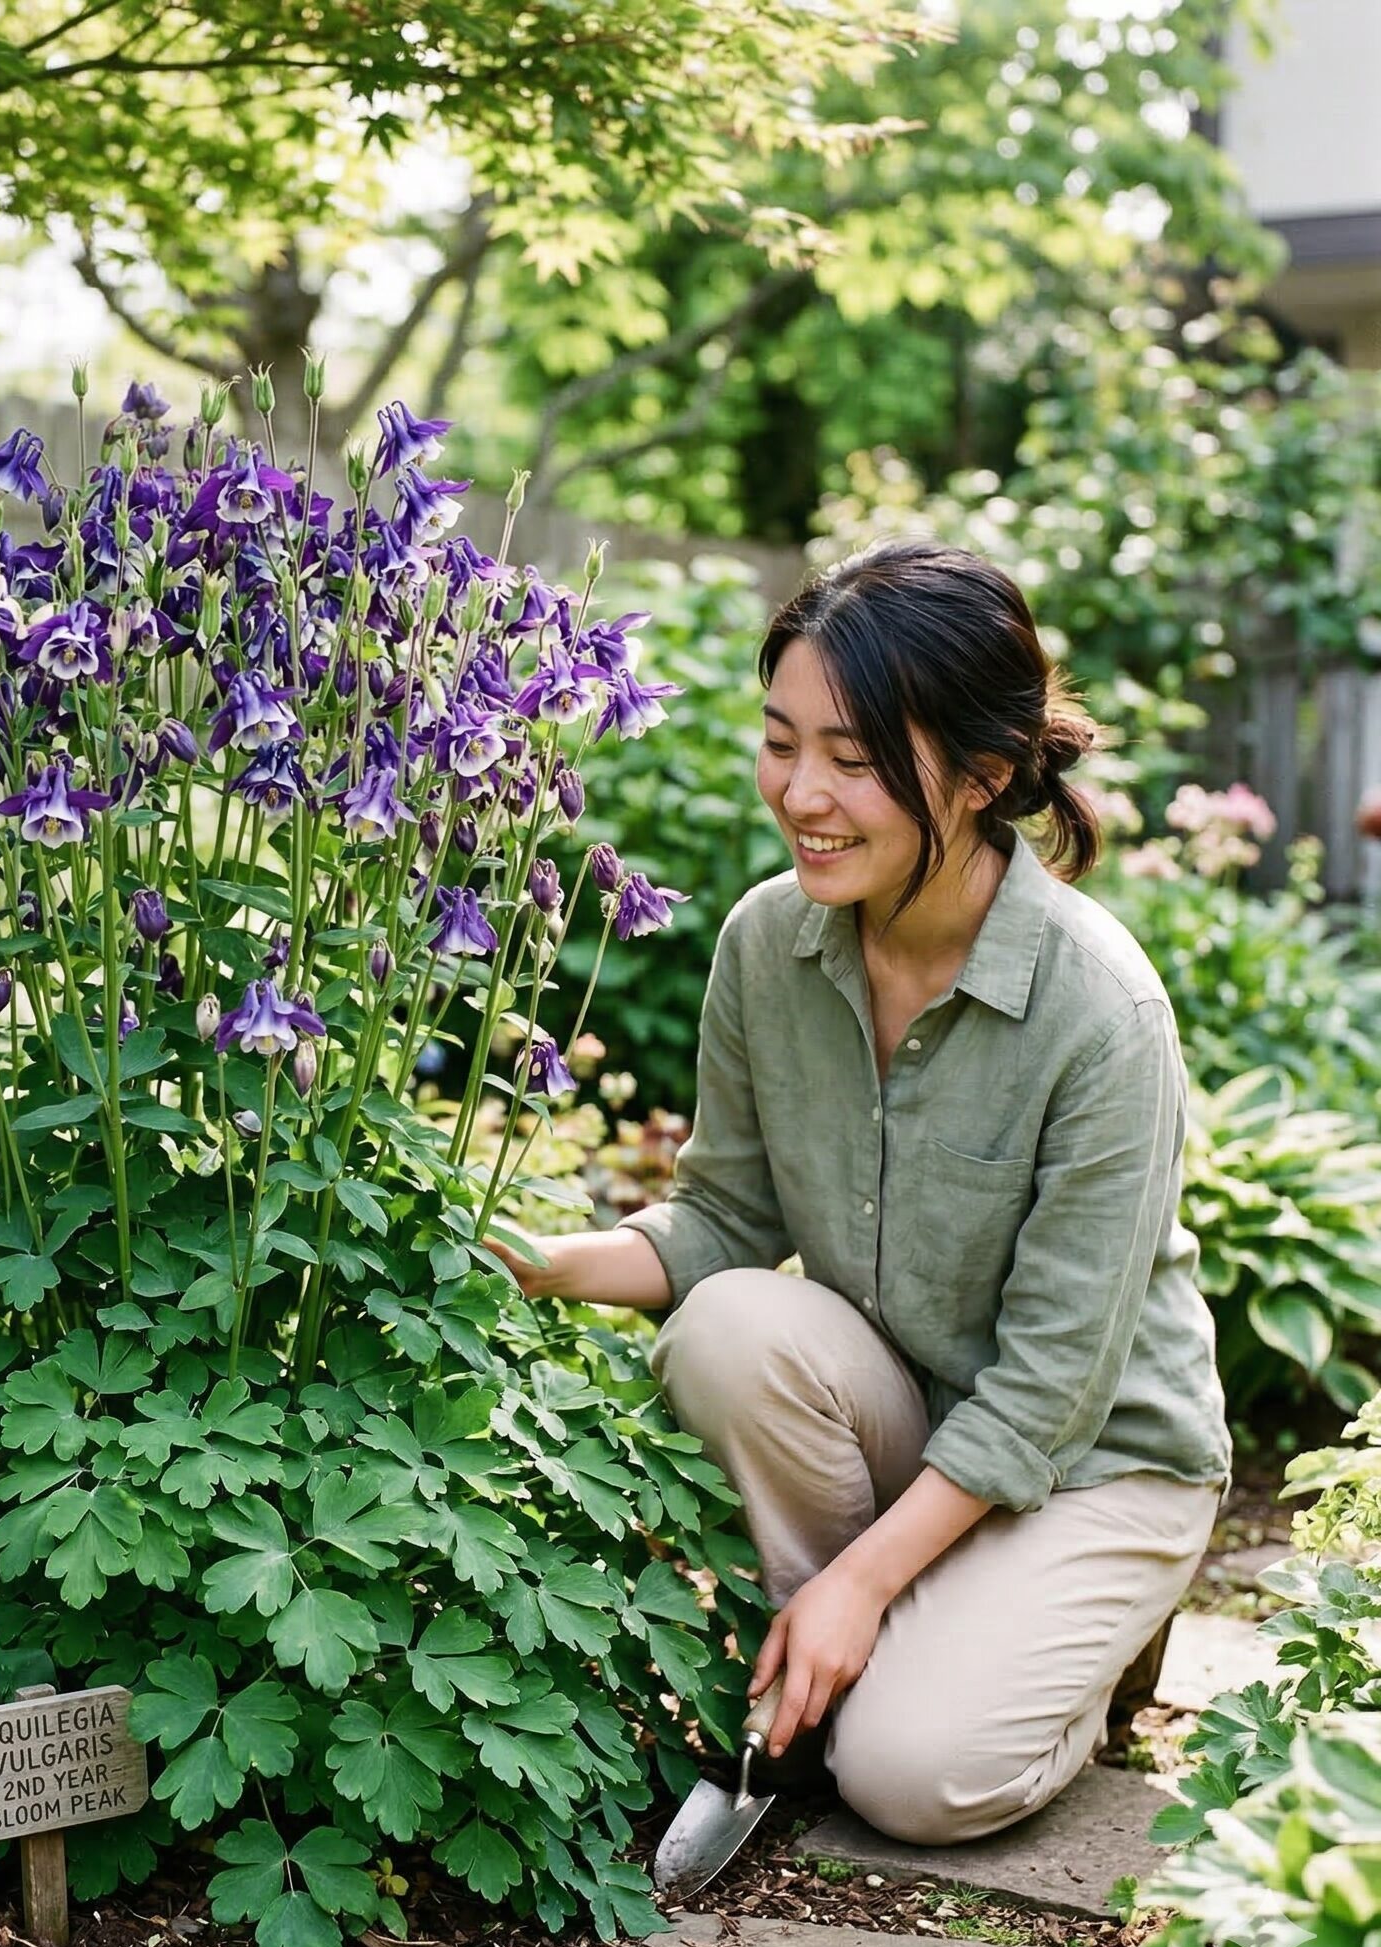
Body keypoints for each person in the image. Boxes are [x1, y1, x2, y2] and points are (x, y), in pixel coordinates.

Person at [486, 538, 1232, 1849]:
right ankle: (864, 1647)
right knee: (725, 1327)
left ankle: (1065, 1657)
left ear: (985, 774)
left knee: (907, 1777)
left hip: (1096, 1460)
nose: (803, 794)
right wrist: (535, 1258)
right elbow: (722, 1226)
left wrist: (856, 1585)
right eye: (784, 743)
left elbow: (1050, 1389)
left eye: (858, 757)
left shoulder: (1099, 1010)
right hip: (918, 1422)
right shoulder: (768, 945)